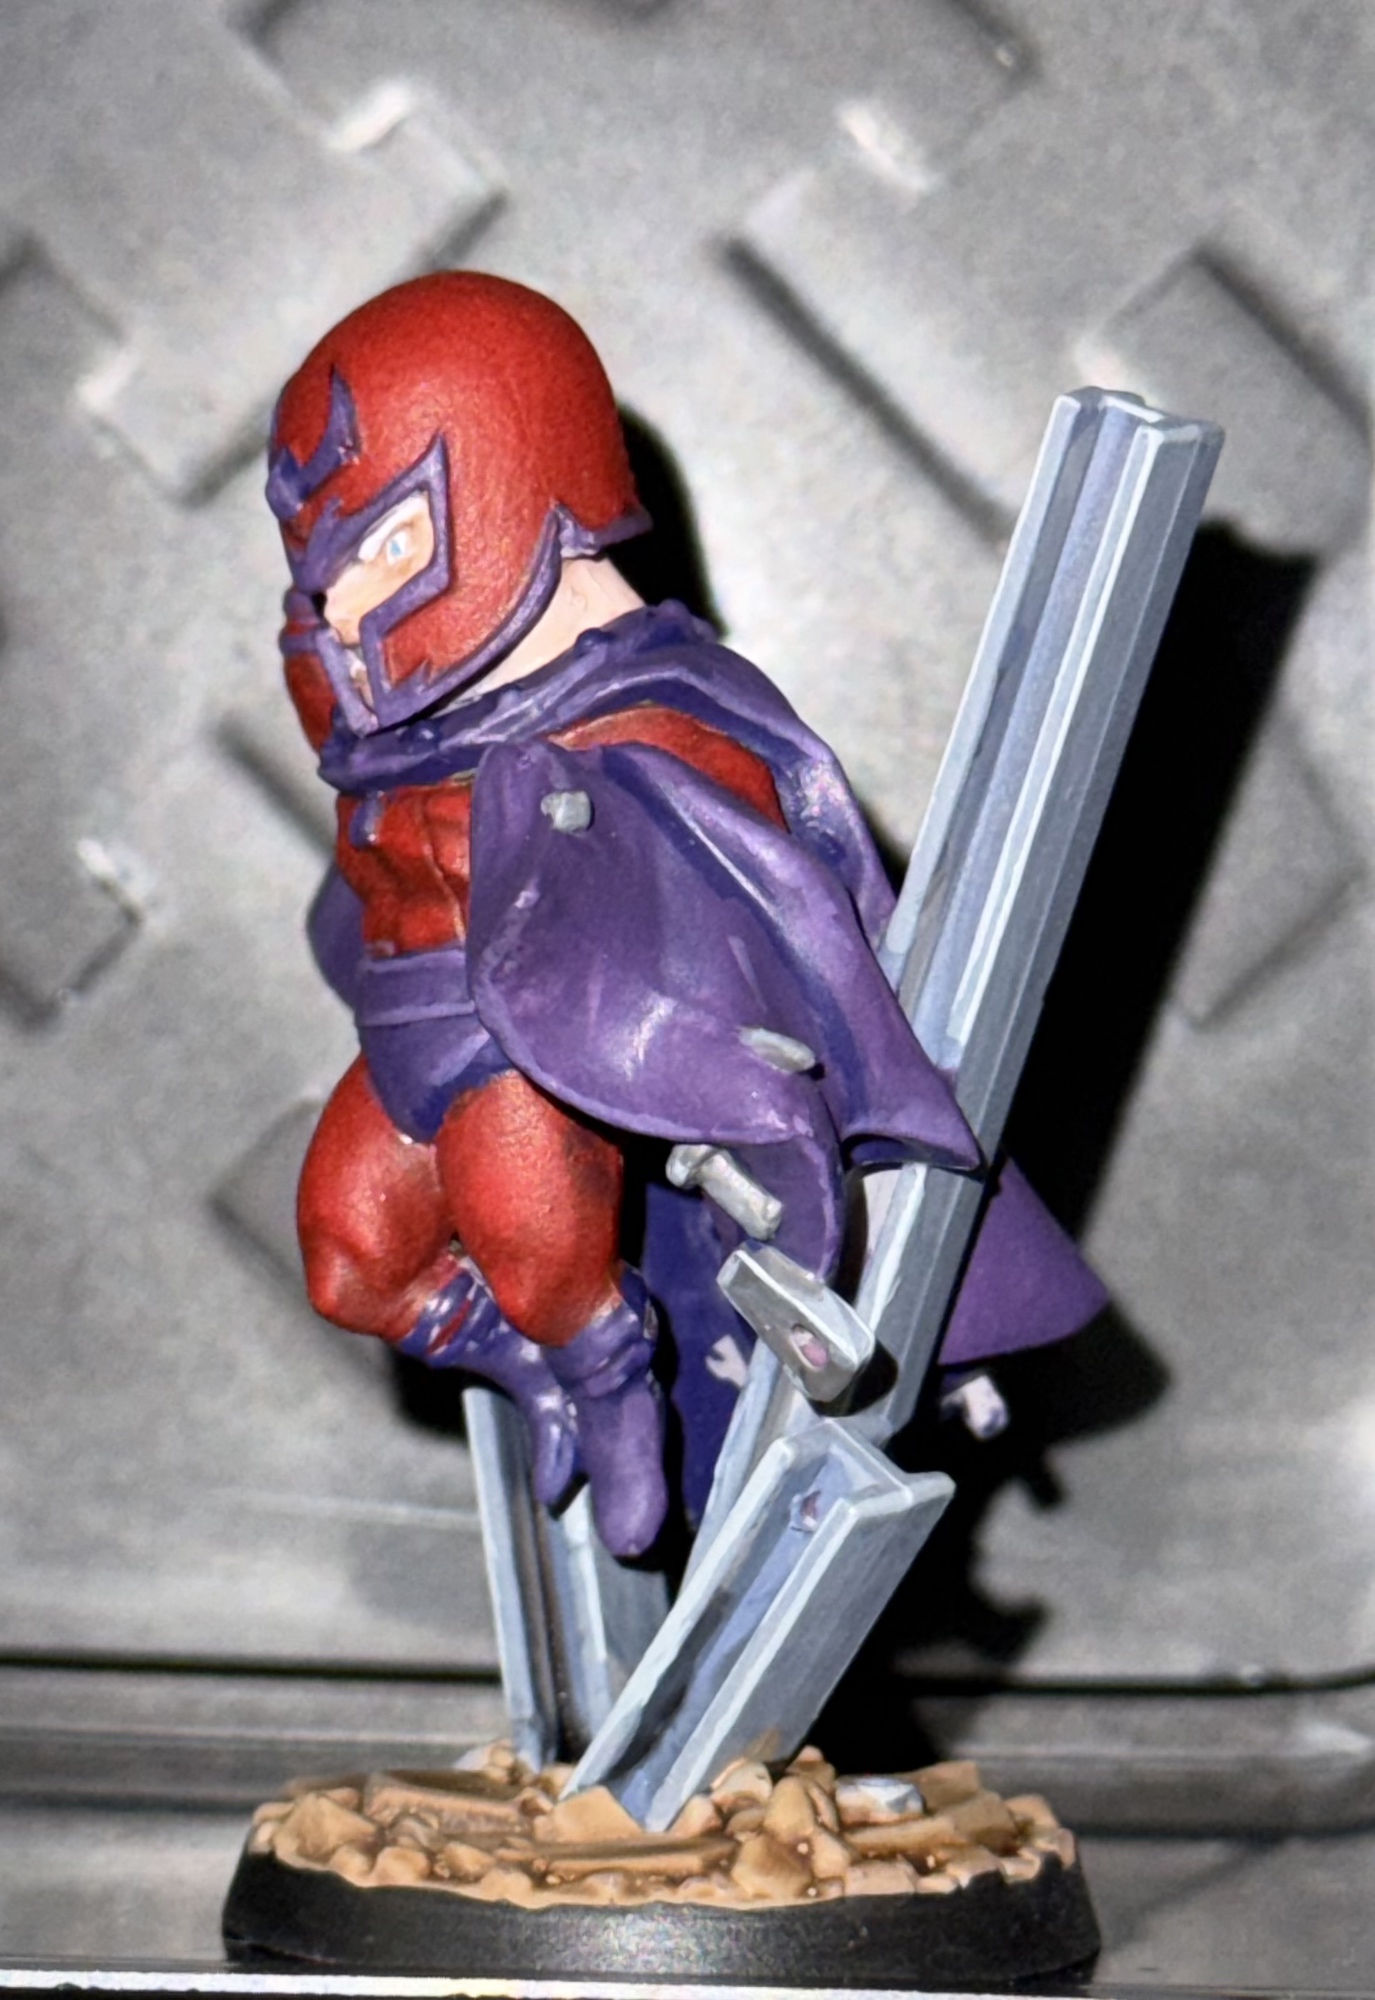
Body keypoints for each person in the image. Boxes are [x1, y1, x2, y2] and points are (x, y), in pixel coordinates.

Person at [266, 272, 1104, 1559]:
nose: (340, 612)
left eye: (383, 547)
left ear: (506, 489)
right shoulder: (408, 749)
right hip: (413, 1029)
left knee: (537, 1249)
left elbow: (762, 891)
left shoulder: (654, 709)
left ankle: (608, 1387)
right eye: (324, 571)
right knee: (349, 1260)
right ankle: (547, 1373)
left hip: (532, 1044)